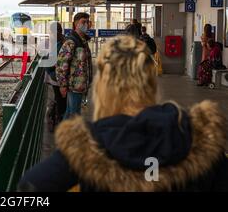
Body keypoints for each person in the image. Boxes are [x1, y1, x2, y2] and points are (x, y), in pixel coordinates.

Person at [18, 35, 228, 192]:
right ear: (151, 83)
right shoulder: (199, 139)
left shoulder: (88, 146)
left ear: (102, 86)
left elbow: (31, 185)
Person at [56, 13, 93, 119]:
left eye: (88, 22)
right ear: (76, 24)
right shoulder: (71, 42)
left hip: (80, 85)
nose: (86, 24)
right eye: (83, 22)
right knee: (74, 115)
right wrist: (62, 85)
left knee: (70, 113)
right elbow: (62, 64)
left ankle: (64, 134)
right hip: (74, 86)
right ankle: (71, 134)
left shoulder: (83, 41)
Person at [44, 22, 67, 132]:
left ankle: (55, 121)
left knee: (58, 100)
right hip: (58, 77)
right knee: (60, 100)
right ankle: (56, 121)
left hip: (55, 77)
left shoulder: (56, 43)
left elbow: (51, 61)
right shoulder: (62, 41)